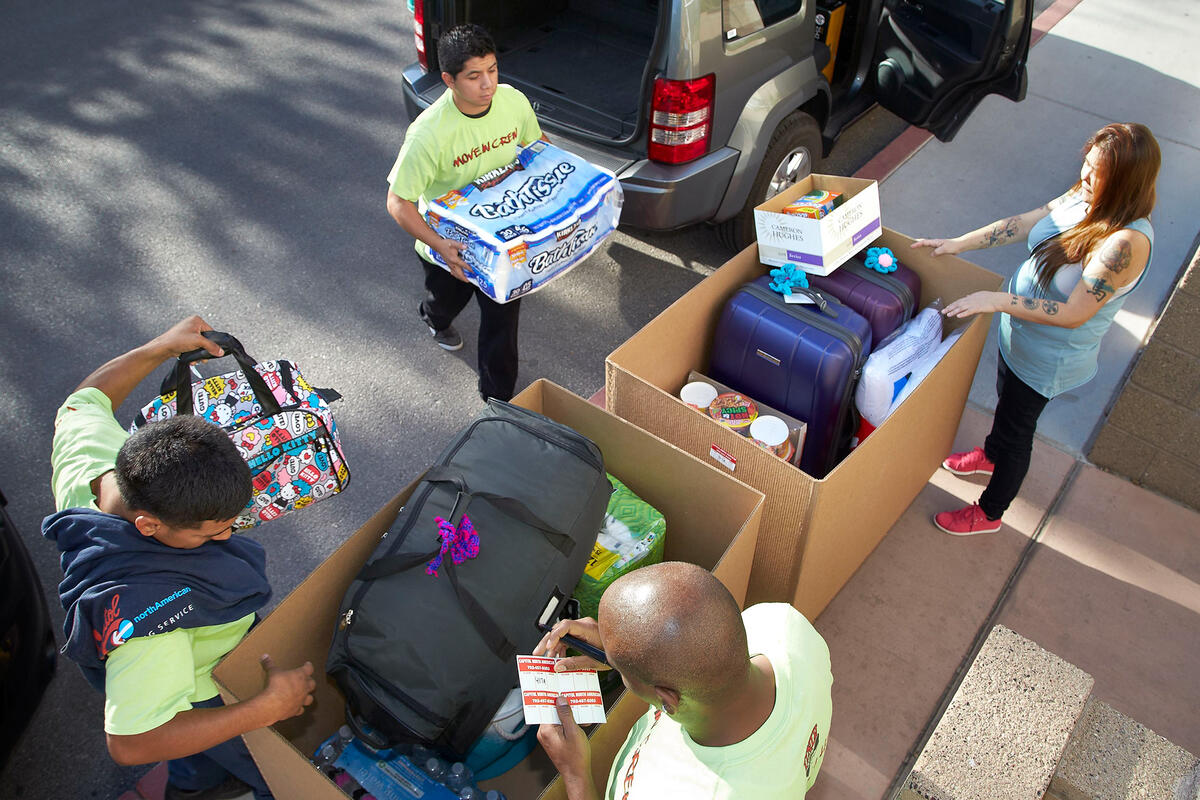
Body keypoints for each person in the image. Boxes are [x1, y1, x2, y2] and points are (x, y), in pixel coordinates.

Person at [42, 316, 317, 800]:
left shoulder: (98, 460)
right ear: (149, 525)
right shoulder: (153, 621)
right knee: (268, 766)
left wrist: (159, 347)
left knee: (192, 754)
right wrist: (264, 709)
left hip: (165, 683)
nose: (230, 535)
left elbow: (82, 403)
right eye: (214, 532)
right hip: (203, 691)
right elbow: (131, 742)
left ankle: (192, 785)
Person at [912, 122, 1160, 536]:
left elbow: (1074, 312)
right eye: (1087, 162)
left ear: (1125, 181)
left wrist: (997, 300)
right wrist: (959, 243)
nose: (1085, 174)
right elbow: (1024, 223)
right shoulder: (1083, 194)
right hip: (1019, 340)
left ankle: (990, 512)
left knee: (1017, 433)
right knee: (1006, 405)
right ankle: (991, 454)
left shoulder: (1124, 244)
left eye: (1098, 171)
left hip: (1047, 360)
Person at [535, 562, 833, 799]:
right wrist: (625, 648)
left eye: (621, 670)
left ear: (668, 700)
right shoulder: (781, 624)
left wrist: (575, 775)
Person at [385, 23, 544, 402]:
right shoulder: (428, 135)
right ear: (449, 80)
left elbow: (538, 147)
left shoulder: (513, 101)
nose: (488, 84)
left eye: (492, 70)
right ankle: (433, 317)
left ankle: (497, 401)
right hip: (448, 245)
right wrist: (440, 244)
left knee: (502, 321)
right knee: (446, 302)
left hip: (502, 241)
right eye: (474, 76)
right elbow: (398, 202)